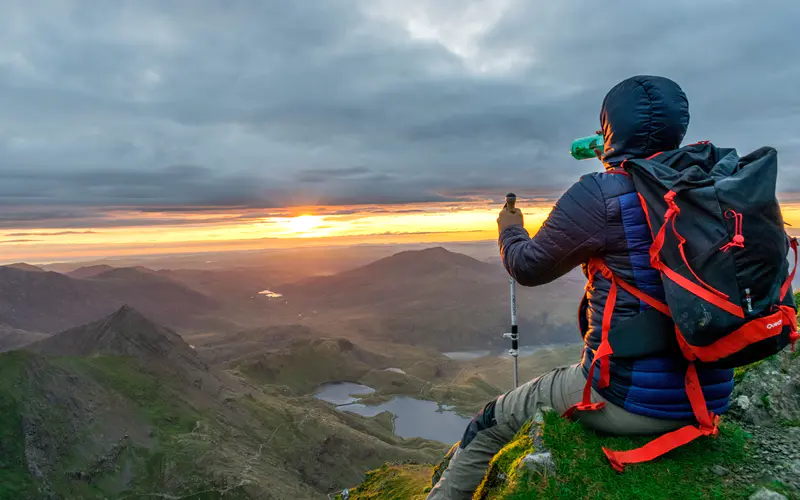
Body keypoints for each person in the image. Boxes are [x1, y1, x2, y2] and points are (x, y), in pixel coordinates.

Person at [426, 75, 735, 500]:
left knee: (490, 419)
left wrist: (510, 229)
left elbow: (528, 267)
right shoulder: (715, 185)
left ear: (610, 128)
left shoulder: (601, 193)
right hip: (713, 391)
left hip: (629, 400)